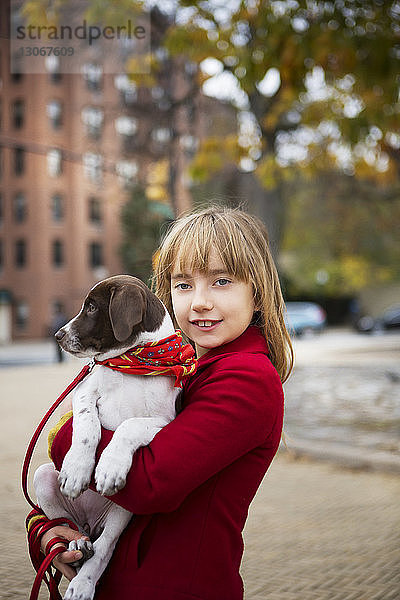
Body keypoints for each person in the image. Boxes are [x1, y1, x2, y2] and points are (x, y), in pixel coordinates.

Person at [29, 205, 294, 599]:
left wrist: (68, 434)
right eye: (183, 284)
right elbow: (89, 491)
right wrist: (50, 529)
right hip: (116, 582)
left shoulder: (246, 379)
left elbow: (150, 483)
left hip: (174, 588)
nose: (199, 302)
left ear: (258, 295)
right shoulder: (178, 367)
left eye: (221, 281)